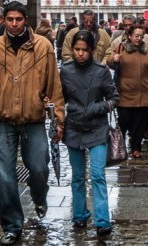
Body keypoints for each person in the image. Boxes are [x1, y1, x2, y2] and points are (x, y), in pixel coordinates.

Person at [0, 1, 65, 246]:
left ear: (26, 20)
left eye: (19, 19)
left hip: (33, 119)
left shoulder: (43, 47)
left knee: (39, 168)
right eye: (10, 19)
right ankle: (12, 225)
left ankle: (39, 195)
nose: (14, 24)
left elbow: (54, 86)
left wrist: (59, 120)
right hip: (3, 120)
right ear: (4, 20)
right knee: (5, 176)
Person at [60, 30, 118, 236]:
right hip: (74, 127)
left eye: (85, 50)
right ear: (72, 49)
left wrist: (97, 107)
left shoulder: (101, 71)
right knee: (77, 176)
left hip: (97, 128)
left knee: (97, 174)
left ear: (91, 50)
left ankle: (102, 220)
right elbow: (60, 99)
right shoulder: (65, 71)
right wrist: (58, 117)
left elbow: (114, 98)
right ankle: (79, 215)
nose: (81, 53)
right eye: (77, 49)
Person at [106, 24, 148, 158]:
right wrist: (113, 59)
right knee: (125, 120)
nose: (138, 39)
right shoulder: (121, 48)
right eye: (136, 36)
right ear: (130, 36)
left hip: (144, 92)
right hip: (125, 92)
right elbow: (109, 61)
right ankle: (121, 145)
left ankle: (136, 147)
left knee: (140, 122)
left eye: (141, 36)